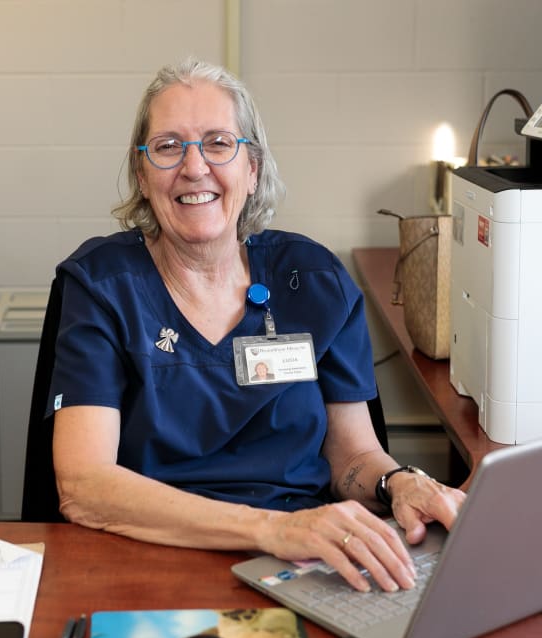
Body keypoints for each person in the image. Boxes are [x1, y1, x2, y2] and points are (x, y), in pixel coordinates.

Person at [48, 57, 465, 593]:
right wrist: (270, 528)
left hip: (305, 563)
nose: (194, 167)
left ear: (252, 169)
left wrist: (399, 483)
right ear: (142, 173)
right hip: (148, 556)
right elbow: (84, 485)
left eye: (219, 143)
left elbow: (353, 457)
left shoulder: (313, 281)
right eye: (169, 146)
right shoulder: (104, 285)